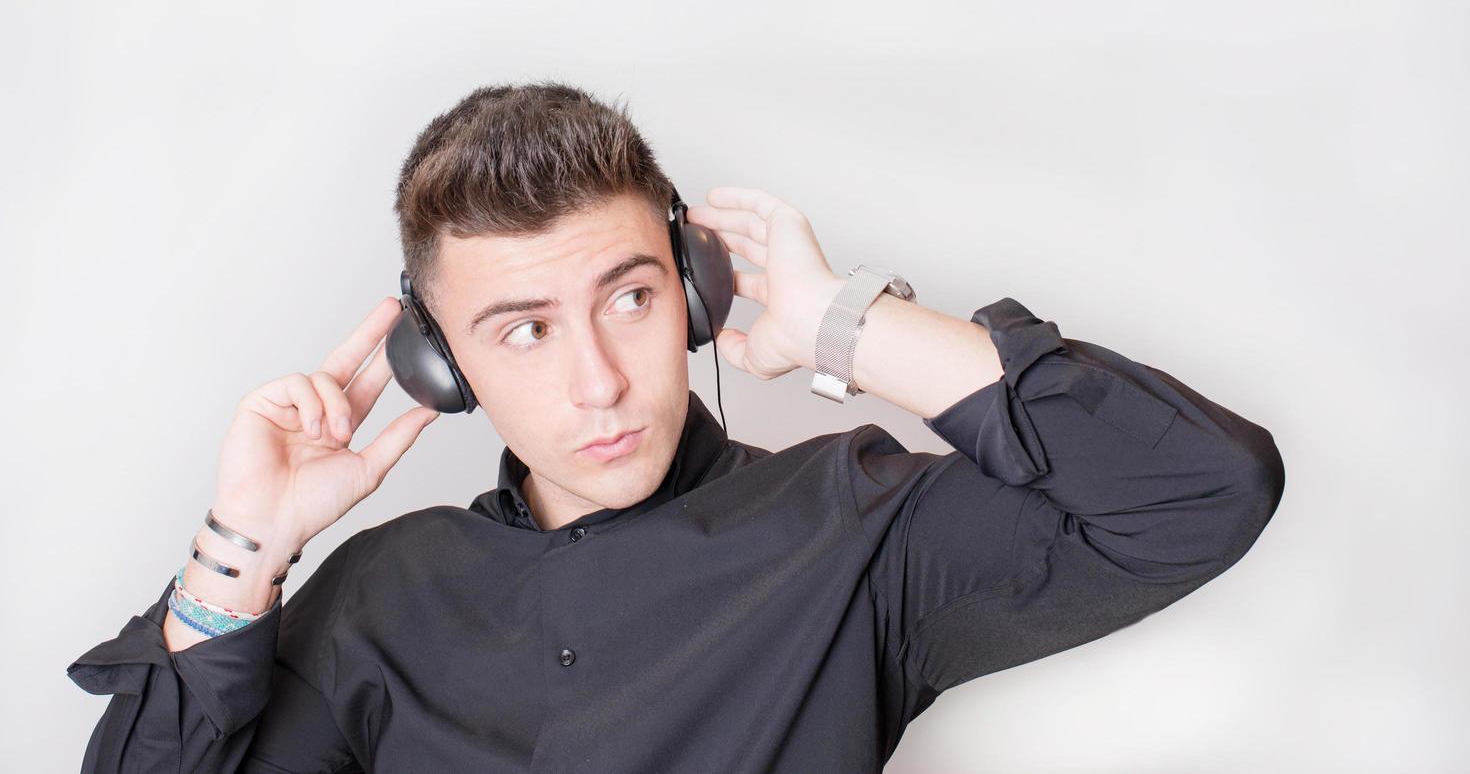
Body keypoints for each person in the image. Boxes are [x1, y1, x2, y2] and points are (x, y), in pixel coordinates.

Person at [66, 83, 1286, 772]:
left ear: (696, 291)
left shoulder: (856, 525)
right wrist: (239, 553)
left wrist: (845, 329)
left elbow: (1200, 488)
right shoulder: (380, 595)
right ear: (443, 366)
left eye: (630, 297)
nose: (599, 381)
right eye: (524, 329)